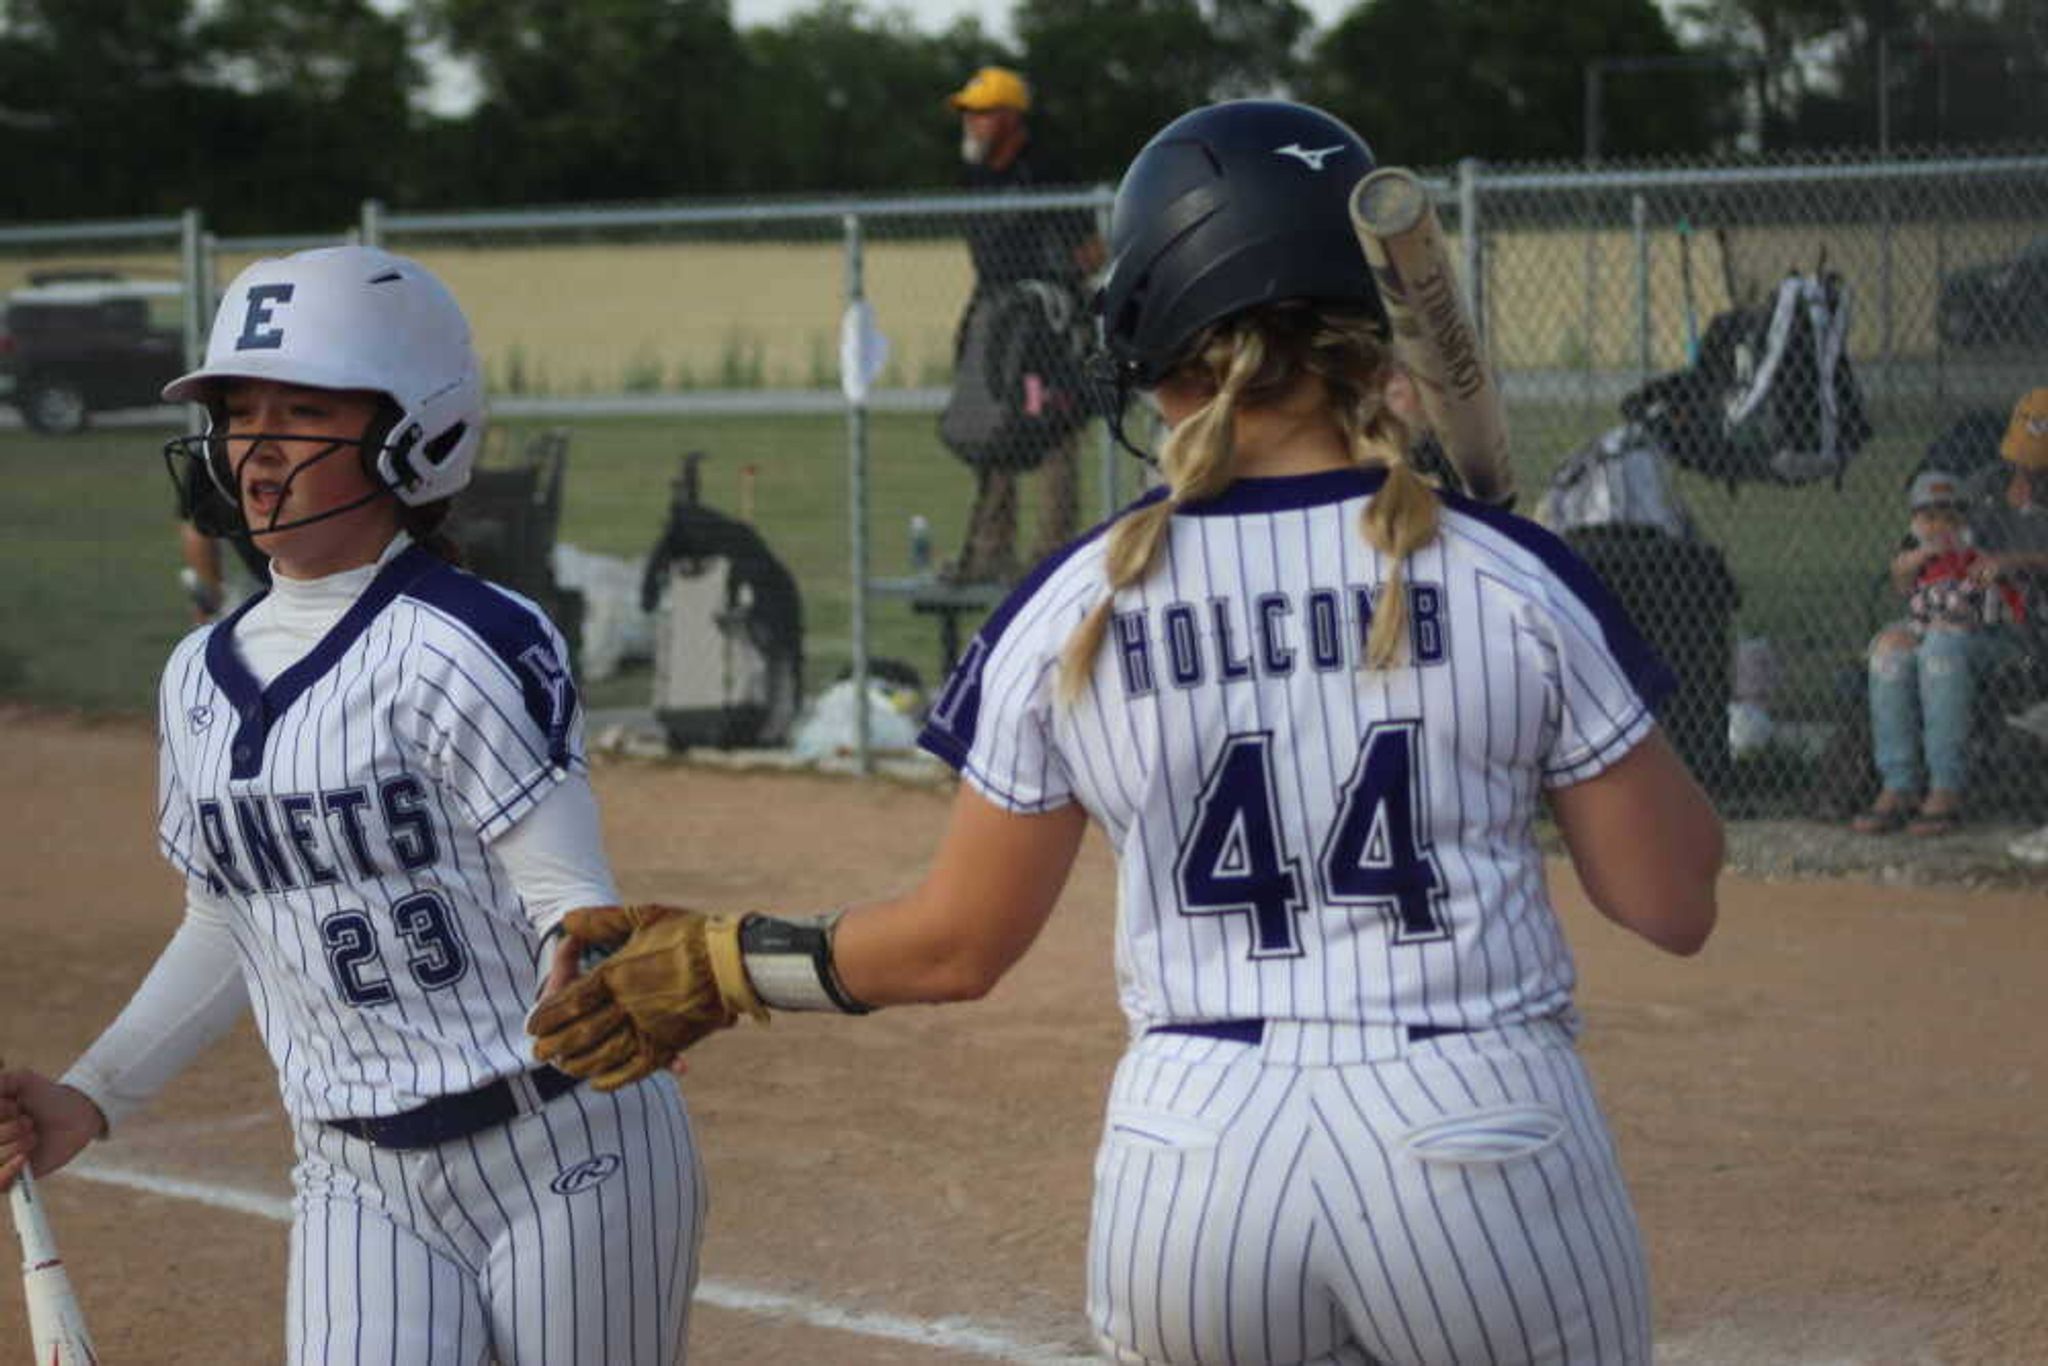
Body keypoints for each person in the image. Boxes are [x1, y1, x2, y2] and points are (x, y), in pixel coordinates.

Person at [532, 101, 1724, 1364]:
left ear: (1154, 339)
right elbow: (1671, 897)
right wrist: (1549, 642)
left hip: (1193, 1157)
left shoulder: (1075, 597)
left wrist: (723, 963)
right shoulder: (1504, 575)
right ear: (1365, 326)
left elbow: (954, 945)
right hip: (1476, 1128)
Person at [0, 246, 702, 1364]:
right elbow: (232, 918)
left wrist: (594, 947)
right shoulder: (194, 675)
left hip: (565, 1145)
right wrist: (90, 1095)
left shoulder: (466, 637)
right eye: (238, 411)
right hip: (350, 1174)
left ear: (415, 430)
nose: (258, 445)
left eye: (304, 408)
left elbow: (568, 897)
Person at [1856, 387, 2048, 837]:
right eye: (2021, 458)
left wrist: (2015, 563)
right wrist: (1915, 560)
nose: (2024, 473)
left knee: (1943, 649)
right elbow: (1907, 577)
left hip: (2018, 631)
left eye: (2037, 465)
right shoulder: (1984, 487)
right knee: (1890, 650)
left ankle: (1946, 787)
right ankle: (1899, 784)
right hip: (1949, 611)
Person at [940, 64, 1105, 583]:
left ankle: (1053, 557)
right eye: (968, 114)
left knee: (1055, 426)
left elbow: (1091, 250)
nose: (971, 124)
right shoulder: (974, 175)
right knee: (992, 425)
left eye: (981, 114)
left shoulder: (1048, 169)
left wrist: (1055, 289)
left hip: (1048, 326)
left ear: (1010, 118)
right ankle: (991, 552)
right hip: (995, 321)